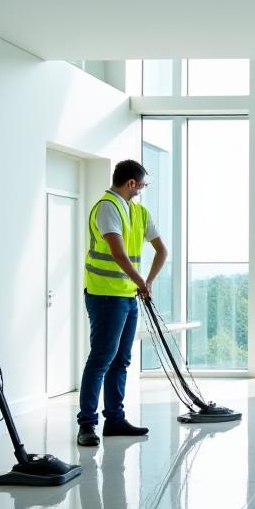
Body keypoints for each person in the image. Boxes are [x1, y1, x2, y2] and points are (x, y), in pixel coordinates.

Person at [77, 159, 167, 446]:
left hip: (128, 296)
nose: (142, 189)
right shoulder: (107, 207)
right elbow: (117, 253)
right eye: (142, 184)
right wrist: (143, 282)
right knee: (101, 358)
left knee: (121, 360)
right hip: (105, 295)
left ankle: (114, 419)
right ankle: (87, 424)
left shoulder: (139, 212)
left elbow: (161, 250)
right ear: (131, 183)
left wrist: (147, 282)